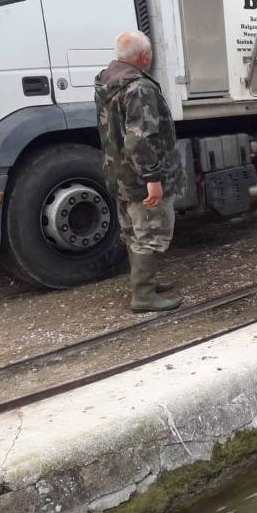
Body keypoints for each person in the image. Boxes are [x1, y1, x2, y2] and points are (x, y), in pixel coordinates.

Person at [94, 31, 186, 313]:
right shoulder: (139, 88)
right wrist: (153, 179)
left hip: (119, 174)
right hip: (138, 178)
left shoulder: (107, 82)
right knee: (151, 233)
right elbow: (140, 138)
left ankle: (145, 282)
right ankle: (144, 295)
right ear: (145, 57)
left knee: (133, 231)